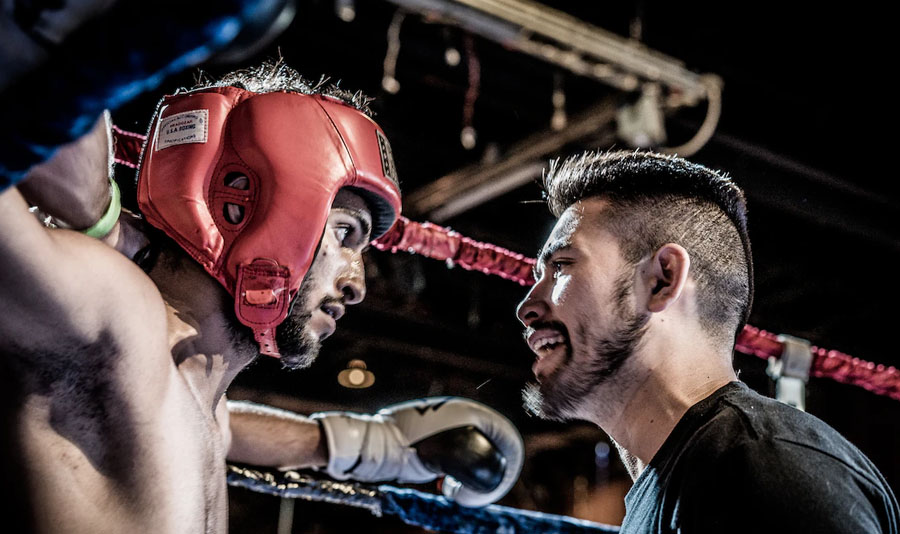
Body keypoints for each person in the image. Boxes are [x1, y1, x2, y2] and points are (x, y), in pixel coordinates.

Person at [0, 62, 522, 533]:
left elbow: (219, 434)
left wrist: (372, 445)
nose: (357, 285)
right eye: (345, 234)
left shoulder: (202, 399)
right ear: (248, 206)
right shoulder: (114, 314)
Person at [516, 149, 899, 533]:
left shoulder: (766, 471)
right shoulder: (682, 485)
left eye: (561, 267)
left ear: (661, 280)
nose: (526, 306)